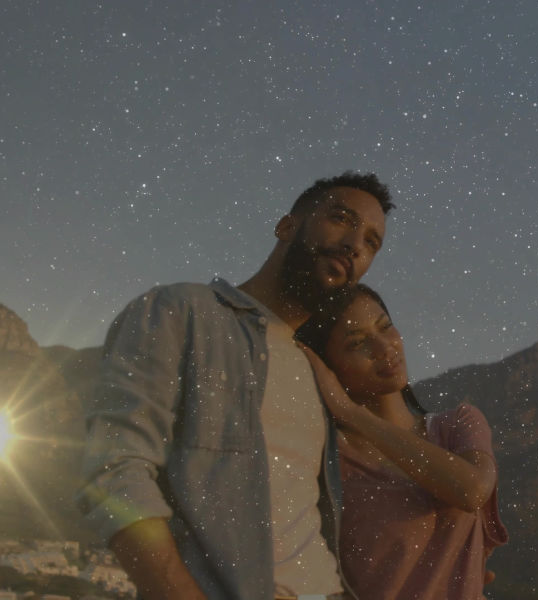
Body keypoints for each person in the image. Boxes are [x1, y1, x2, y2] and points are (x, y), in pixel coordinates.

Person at [77, 172, 394, 600]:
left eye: (372, 242)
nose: (355, 244)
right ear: (286, 226)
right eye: (341, 219)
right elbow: (114, 471)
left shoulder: (321, 368)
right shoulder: (182, 312)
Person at [295, 284, 508, 600]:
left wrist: (353, 414)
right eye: (358, 343)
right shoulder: (325, 461)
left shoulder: (456, 426)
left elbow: (472, 489)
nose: (384, 348)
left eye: (385, 327)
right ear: (328, 368)